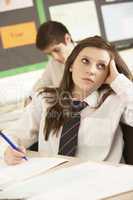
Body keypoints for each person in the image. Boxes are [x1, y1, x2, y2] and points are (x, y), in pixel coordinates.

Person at [1, 36, 133, 165]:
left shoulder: (115, 100)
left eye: (101, 66)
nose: (91, 71)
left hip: (100, 180)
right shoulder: (45, 98)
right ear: (71, 65)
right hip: (53, 178)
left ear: (107, 74)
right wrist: (6, 151)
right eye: (85, 61)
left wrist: (117, 80)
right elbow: (15, 134)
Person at [32, 20, 75, 93]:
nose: (55, 57)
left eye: (56, 50)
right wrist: (30, 97)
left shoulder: (89, 57)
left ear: (67, 39)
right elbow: (41, 84)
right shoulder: (53, 63)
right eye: (50, 54)